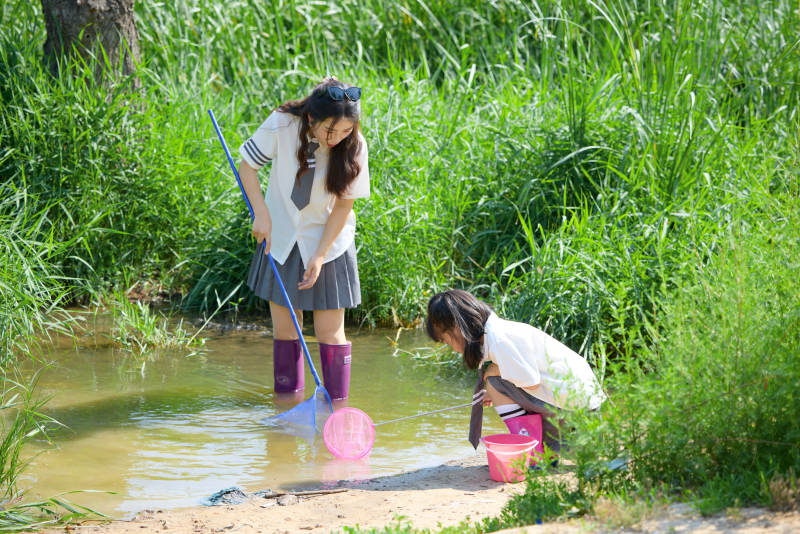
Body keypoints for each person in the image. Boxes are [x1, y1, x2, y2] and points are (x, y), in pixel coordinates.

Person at [237, 77, 369, 401]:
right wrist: (261, 213)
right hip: (281, 238)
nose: (337, 139)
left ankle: (336, 411)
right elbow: (247, 167)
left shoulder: (355, 145)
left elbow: (343, 205)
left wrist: (320, 255)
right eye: (329, 131)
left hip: (329, 242)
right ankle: (286, 408)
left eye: (345, 131)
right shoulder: (282, 124)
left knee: (330, 333)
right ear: (311, 118)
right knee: (286, 330)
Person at [425, 289, 605, 452]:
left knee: (494, 383)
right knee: (495, 383)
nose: (452, 348)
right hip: (580, 404)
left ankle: (532, 450)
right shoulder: (498, 332)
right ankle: (541, 446)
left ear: (457, 328)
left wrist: (494, 371)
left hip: (578, 411)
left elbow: (530, 380)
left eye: (447, 341)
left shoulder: (500, 339)